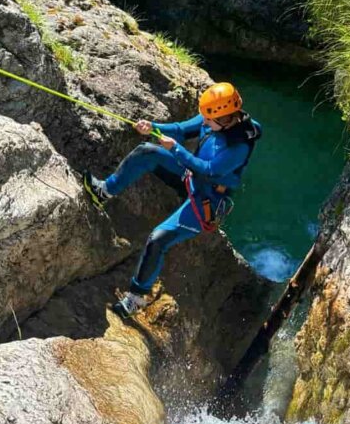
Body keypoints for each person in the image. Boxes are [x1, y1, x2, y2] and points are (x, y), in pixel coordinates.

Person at [83, 81, 261, 318]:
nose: (204, 122)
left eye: (209, 120)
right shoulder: (215, 119)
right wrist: (153, 127)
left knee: (158, 239)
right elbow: (182, 129)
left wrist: (176, 150)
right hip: (190, 177)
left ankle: (135, 299)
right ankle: (104, 192)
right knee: (147, 151)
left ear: (227, 118)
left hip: (208, 197)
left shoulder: (239, 145)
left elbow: (209, 169)